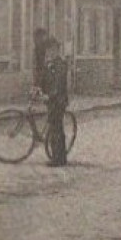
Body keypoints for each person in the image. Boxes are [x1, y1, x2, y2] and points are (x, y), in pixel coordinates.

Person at [41, 38, 71, 167]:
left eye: (52, 50)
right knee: (54, 128)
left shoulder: (60, 64)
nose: (50, 53)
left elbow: (59, 85)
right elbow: (44, 81)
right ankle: (58, 156)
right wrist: (38, 89)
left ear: (57, 50)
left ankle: (59, 159)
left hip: (58, 100)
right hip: (51, 101)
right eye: (48, 50)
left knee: (57, 129)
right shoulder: (49, 64)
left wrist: (49, 95)